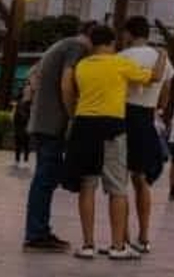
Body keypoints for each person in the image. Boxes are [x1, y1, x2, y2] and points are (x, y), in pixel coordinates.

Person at [62, 24, 164, 261]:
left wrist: (72, 114)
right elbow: (155, 77)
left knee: (87, 186)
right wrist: (162, 55)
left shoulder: (82, 66)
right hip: (112, 127)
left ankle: (88, 245)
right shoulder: (120, 63)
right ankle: (118, 246)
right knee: (117, 188)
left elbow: (71, 88)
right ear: (111, 43)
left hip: (84, 125)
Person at [24, 21, 95, 252]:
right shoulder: (78, 48)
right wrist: (73, 114)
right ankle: (36, 234)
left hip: (41, 121)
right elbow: (67, 82)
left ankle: (38, 231)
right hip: (52, 123)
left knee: (45, 178)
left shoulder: (59, 45)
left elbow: (32, 74)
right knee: (45, 180)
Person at [117, 16, 174, 253]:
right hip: (147, 117)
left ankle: (124, 237)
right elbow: (166, 91)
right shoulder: (160, 58)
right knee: (141, 181)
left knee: (120, 182)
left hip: (124, 116)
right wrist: (158, 108)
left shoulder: (122, 57)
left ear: (129, 34)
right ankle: (144, 237)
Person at [13, 76, 34, 168]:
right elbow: (16, 112)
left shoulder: (30, 103)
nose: (26, 91)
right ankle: (17, 159)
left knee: (26, 142)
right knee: (18, 141)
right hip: (19, 123)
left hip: (26, 123)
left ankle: (25, 159)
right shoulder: (20, 101)